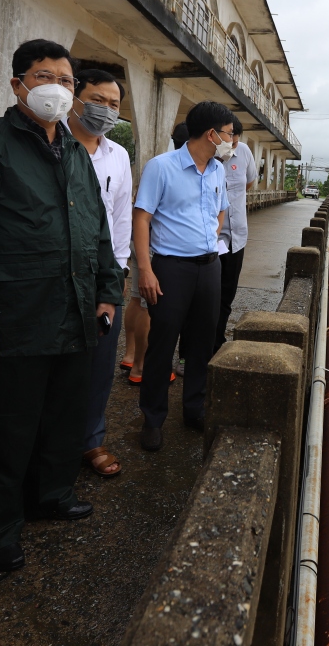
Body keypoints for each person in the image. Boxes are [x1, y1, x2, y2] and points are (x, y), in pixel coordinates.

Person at [0, 39, 123, 573]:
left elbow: (96, 231)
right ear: (18, 83)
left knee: (62, 419)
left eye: (66, 80)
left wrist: (107, 292)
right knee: (3, 430)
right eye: (44, 76)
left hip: (73, 313)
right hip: (13, 318)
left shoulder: (74, 149)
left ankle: (49, 495)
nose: (58, 88)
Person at [131, 101, 233, 451]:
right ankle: (153, 418)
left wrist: (208, 238)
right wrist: (145, 268)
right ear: (212, 133)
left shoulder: (218, 170)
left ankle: (194, 409)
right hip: (170, 268)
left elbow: (220, 212)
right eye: (229, 134)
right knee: (163, 343)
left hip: (209, 267)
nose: (230, 141)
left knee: (203, 342)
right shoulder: (162, 167)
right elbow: (141, 218)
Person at [66, 68, 131, 477]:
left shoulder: (118, 155)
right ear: (75, 98)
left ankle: (90, 439)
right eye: (98, 100)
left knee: (100, 362)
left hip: (104, 271)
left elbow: (121, 215)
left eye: (114, 105)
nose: (105, 111)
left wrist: (120, 270)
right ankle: (49, 442)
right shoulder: (51, 145)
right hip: (58, 272)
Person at [120, 121, 188, 385]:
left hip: (137, 242)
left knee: (137, 301)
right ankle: (141, 368)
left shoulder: (157, 164)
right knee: (151, 306)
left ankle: (129, 355)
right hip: (154, 247)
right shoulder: (180, 169)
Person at [213, 118, 258, 354]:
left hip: (236, 237)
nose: (232, 144)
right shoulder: (208, 156)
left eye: (236, 139)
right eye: (229, 138)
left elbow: (248, 183)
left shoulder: (244, 151)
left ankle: (216, 343)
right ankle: (190, 353)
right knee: (204, 297)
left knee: (226, 295)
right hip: (210, 239)